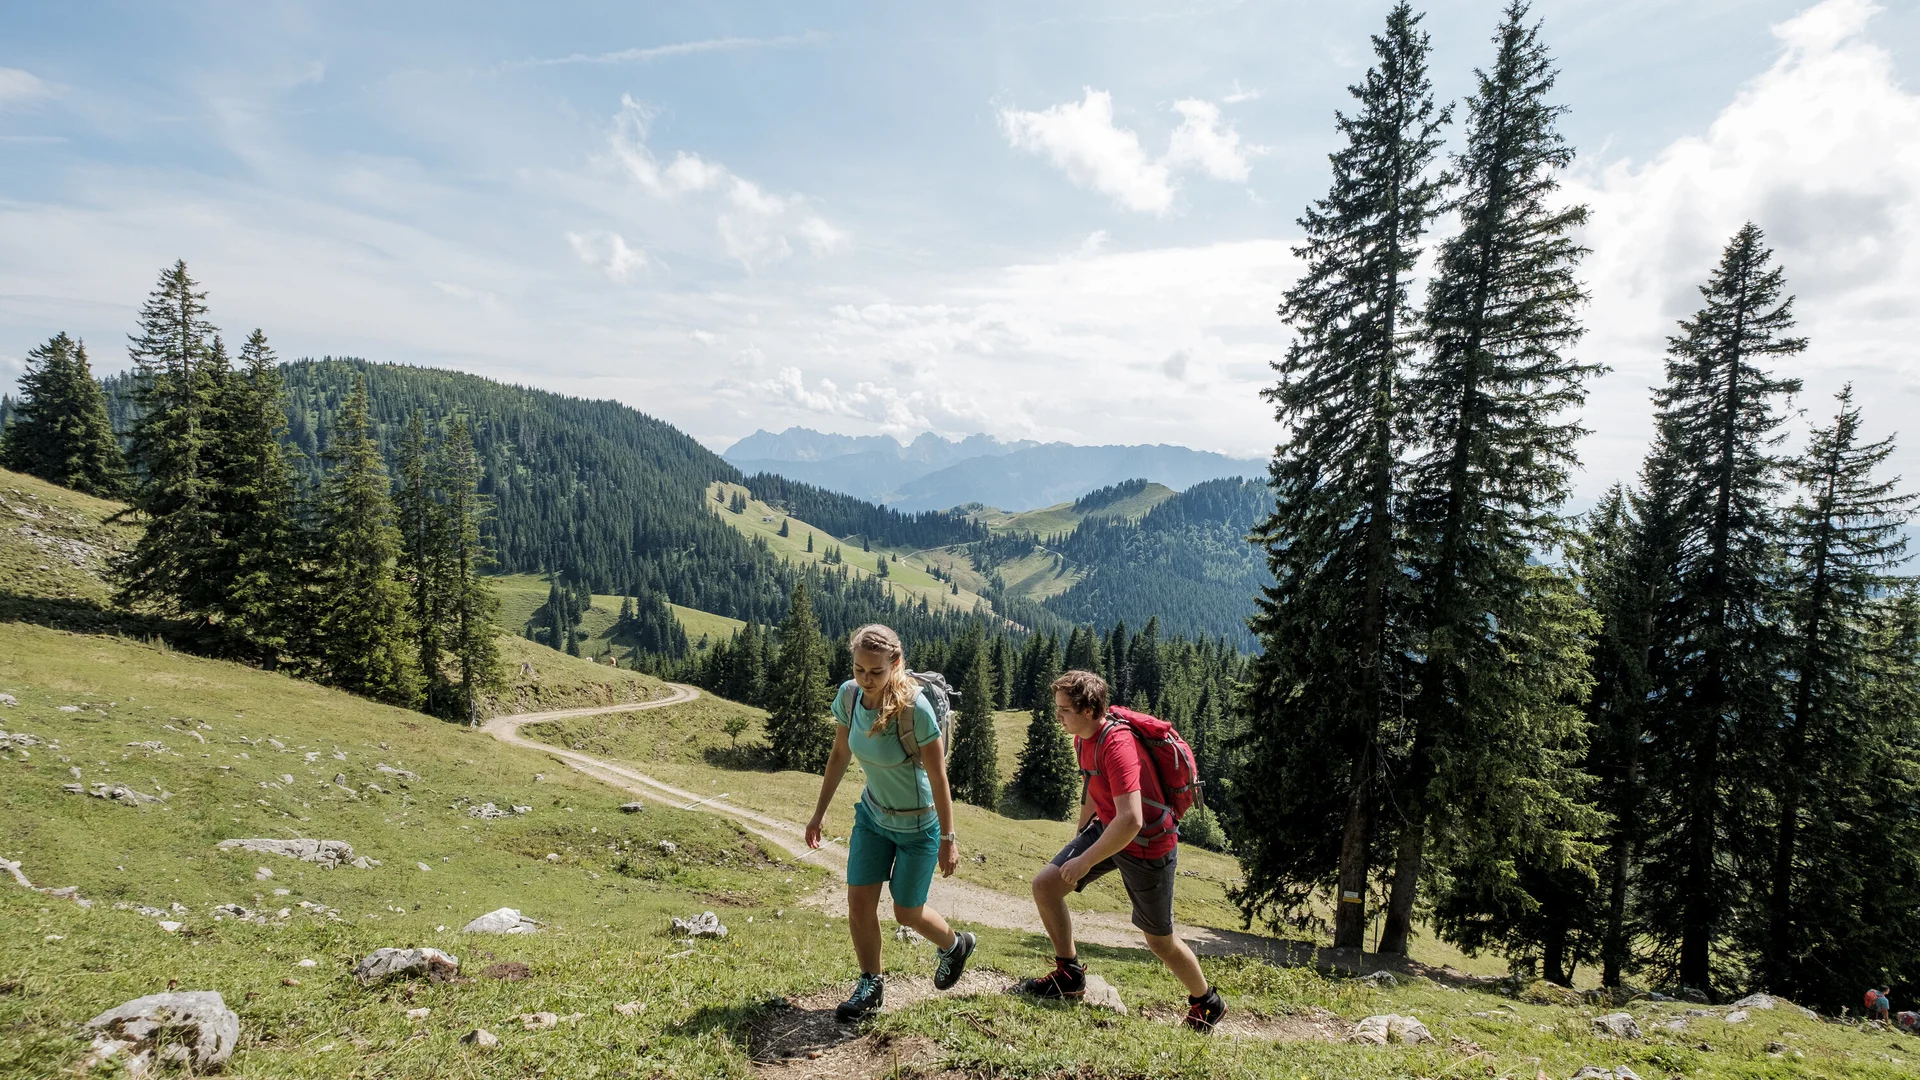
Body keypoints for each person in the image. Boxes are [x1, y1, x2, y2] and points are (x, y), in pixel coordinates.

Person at [1017, 669, 1227, 1033]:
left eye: (1063, 710)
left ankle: (1206, 1002)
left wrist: (1084, 860)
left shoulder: (1117, 745)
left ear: (1087, 710)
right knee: (1046, 886)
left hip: (1147, 844)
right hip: (1107, 828)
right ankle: (1069, 975)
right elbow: (1091, 782)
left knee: (1159, 941)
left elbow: (1131, 820)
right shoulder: (1083, 737)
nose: (1058, 716)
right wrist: (1081, 834)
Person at [805, 624, 976, 1022]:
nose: (866, 679)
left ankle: (954, 946)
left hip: (919, 827)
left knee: (906, 912)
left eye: (876, 672)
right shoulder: (849, 697)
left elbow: (938, 777)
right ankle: (871, 984)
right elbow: (838, 755)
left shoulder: (915, 709)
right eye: (859, 669)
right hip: (872, 816)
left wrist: (949, 838)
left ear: (895, 664)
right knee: (859, 905)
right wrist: (819, 813)